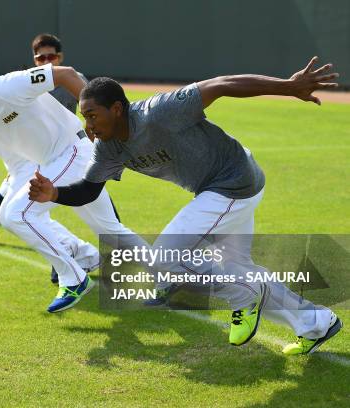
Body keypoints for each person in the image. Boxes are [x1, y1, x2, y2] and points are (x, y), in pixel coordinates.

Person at [28, 57, 342, 354]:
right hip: (217, 190)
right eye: (84, 117)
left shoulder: (159, 112)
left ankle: (244, 297)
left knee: (166, 258)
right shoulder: (108, 149)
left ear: (117, 109)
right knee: (239, 271)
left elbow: (222, 84)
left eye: (93, 115)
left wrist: (288, 86)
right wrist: (54, 194)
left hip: (233, 181)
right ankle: (316, 323)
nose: (89, 124)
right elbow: (88, 190)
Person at [0, 42, 136, 313]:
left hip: (72, 151)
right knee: (111, 232)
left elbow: (66, 74)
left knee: (14, 214)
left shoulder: (10, 85)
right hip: (56, 162)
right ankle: (173, 275)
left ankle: (74, 278)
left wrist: (92, 118)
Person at [0, 33, 121, 265]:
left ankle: (89, 257)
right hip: (37, 153)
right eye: (40, 58)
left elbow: (90, 111)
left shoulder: (70, 79)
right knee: (15, 193)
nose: (46, 61)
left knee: (95, 205)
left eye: (51, 56)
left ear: (60, 57)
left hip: (70, 150)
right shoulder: (29, 82)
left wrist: (93, 137)